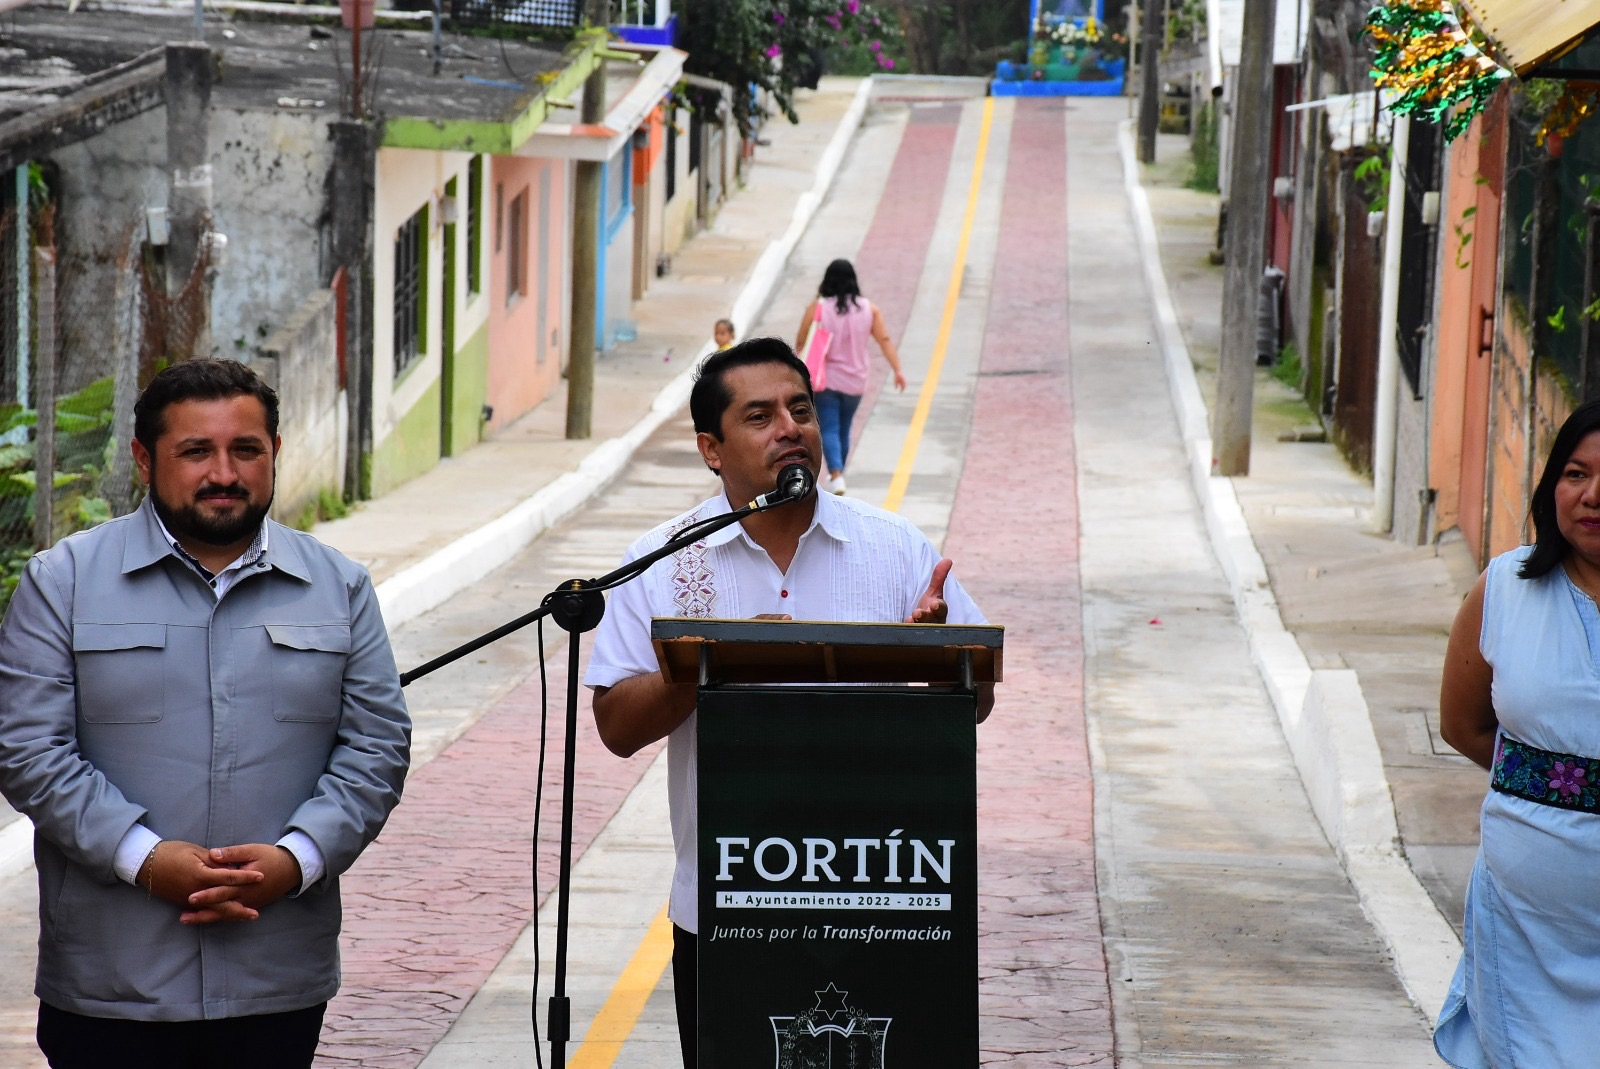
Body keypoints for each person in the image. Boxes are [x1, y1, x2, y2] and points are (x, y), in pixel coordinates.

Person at [583, 338, 992, 1069]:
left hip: (880, 902)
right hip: (725, 906)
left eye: (800, 409)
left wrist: (932, 656)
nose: (791, 428)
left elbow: (974, 698)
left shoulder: (894, 549)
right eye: (761, 416)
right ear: (712, 448)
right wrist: (708, 662)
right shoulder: (662, 562)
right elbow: (615, 724)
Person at [0, 359, 411, 1068]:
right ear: (143, 459)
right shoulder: (62, 582)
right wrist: (145, 859)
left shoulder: (339, 588)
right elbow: (28, 750)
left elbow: (376, 748)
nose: (224, 471)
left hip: (276, 978)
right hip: (112, 981)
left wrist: (296, 859)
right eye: (196, 451)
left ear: (274, 453)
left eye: (246, 450)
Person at [1436, 396, 1600, 1068]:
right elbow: (1463, 725)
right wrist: (1550, 800)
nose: (1593, 495)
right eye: (1575, 473)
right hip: (1524, 919)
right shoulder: (1504, 587)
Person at [793, 258, 906, 496]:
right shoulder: (869, 309)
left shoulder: (819, 307)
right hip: (856, 381)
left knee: (830, 428)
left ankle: (836, 474)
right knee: (844, 428)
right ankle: (838, 474)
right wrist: (897, 369)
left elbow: (802, 340)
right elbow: (884, 340)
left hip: (826, 380)